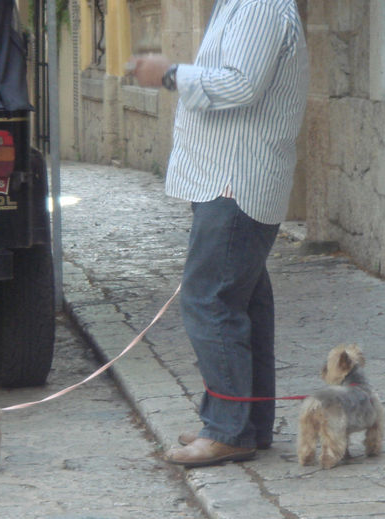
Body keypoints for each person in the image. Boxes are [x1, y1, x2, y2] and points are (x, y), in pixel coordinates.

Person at [131, 0, 308, 467]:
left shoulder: (259, 7)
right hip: (226, 175)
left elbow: (240, 85)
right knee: (245, 302)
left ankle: (228, 429)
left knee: (210, 300)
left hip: (234, 179)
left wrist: (170, 74)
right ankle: (244, 424)